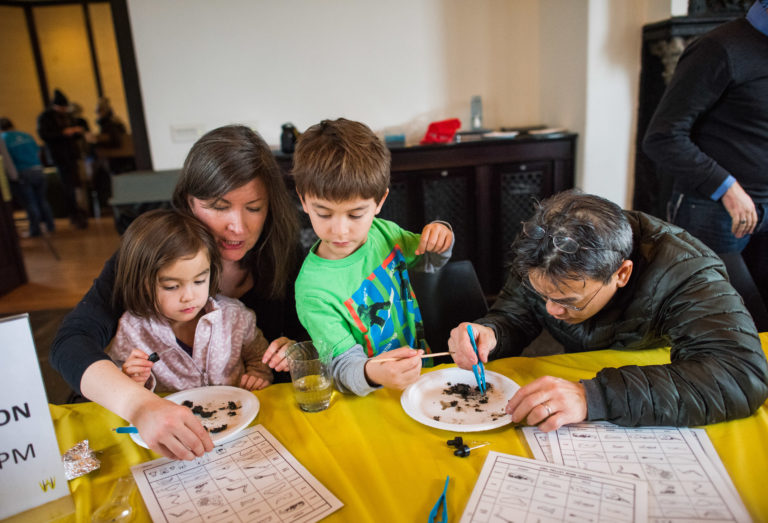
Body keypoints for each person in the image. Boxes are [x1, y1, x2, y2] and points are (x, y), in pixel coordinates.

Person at [50, 125, 304, 460]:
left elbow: (308, 344)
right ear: (189, 202)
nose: (237, 227)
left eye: (254, 208)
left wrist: (294, 351)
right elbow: (71, 342)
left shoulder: (287, 257)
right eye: (218, 205)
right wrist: (139, 405)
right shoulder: (151, 252)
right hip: (155, 437)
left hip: (243, 430)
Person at [448, 190, 768, 431]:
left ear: (622, 274)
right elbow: (516, 314)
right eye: (541, 292)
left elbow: (741, 375)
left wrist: (595, 397)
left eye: (569, 301)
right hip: (581, 372)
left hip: (656, 382)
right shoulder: (542, 249)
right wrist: (491, 332)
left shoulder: (685, 272)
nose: (551, 310)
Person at [292, 118, 454, 396]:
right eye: (324, 213)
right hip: (368, 395)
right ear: (304, 200)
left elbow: (429, 261)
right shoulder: (312, 291)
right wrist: (372, 372)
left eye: (355, 214)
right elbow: (342, 368)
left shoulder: (385, 234)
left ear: (379, 202)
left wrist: (442, 238)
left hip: (417, 378)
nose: (340, 230)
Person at [642, 0, 768, 307]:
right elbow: (662, 137)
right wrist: (728, 188)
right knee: (741, 322)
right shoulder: (719, 48)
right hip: (714, 212)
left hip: (765, 210)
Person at [108, 209, 273, 393]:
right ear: (142, 284)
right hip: (170, 419)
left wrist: (258, 376)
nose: (189, 297)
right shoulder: (133, 330)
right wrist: (132, 380)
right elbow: (116, 382)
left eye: (199, 281)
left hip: (235, 414)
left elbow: (260, 358)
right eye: (171, 286)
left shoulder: (235, 316)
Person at [37, 88, 88, 229]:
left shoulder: (68, 116)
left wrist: (77, 131)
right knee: (68, 186)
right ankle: (74, 215)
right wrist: (63, 133)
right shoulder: (45, 117)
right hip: (59, 156)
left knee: (77, 185)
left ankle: (81, 214)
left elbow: (76, 134)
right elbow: (44, 135)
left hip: (72, 155)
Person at [0, 117, 55, 236]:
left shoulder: (3, 139)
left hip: (22, 172)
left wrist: (13, 176)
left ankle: (35, 230)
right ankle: (50, 226)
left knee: (30, 203)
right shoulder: (26, 135)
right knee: (42, 200)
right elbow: (38, 152)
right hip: (38, 169)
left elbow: (6, 160)